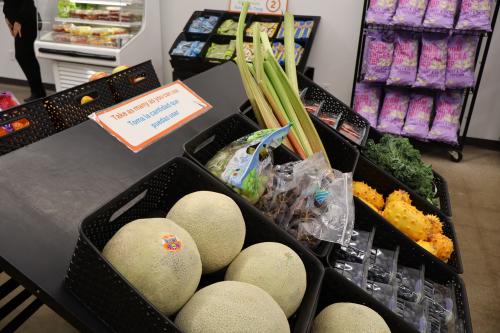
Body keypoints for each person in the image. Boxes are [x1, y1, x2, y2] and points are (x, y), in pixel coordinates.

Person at [3, 0, 46, 102]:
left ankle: (38, 92)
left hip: (26, 22)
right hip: (20, 22)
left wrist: (18, 21)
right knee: (26, 56)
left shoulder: (22, 18)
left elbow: (28, 2)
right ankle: (38, 92)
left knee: (24, 56)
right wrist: (7, 19)